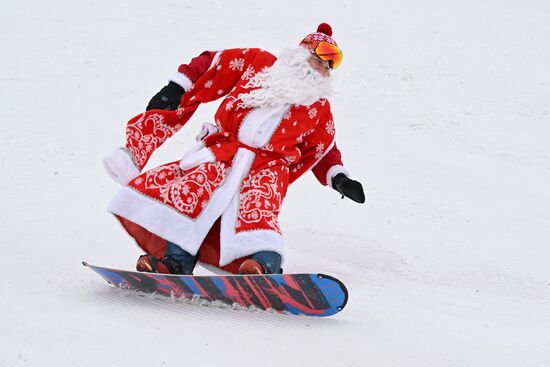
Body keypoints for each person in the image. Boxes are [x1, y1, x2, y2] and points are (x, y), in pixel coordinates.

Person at [103, 23, 365, 275]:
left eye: (327, 66)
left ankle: (262, 266)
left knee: (258, 212)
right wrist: (176, 87)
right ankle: (173, 261)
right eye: (318, 61)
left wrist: (338, 178)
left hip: (267, 169)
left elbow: (323, 147)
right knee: (191, 200)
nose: (321, 69)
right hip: (223, 153)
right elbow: (213, 64)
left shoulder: (318, 108)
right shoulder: (258, 63)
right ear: (300, 55)